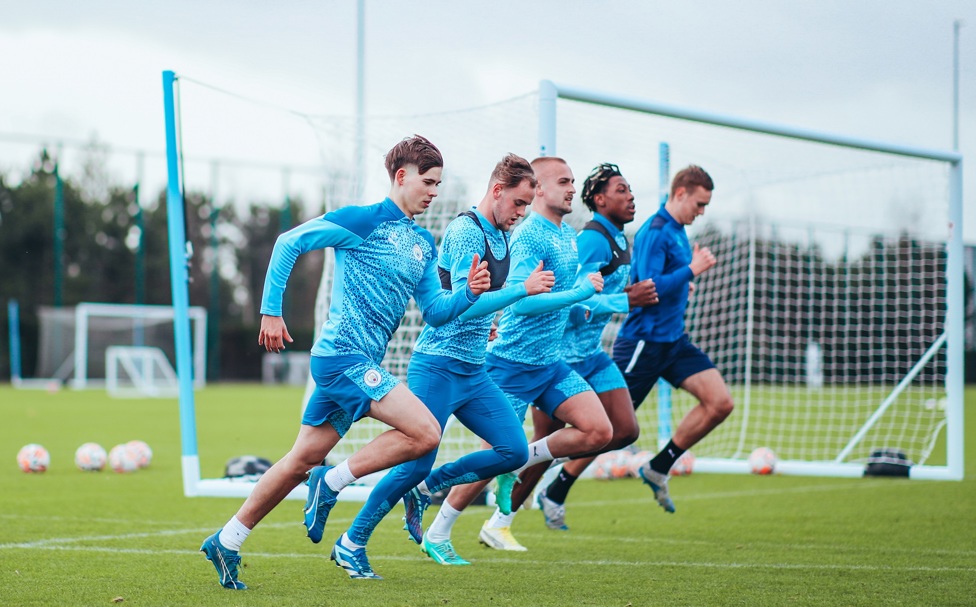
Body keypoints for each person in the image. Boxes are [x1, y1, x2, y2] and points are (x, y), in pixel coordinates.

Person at [199, 135, 491, 589]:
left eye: (438, 184)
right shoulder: (363, 220)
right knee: (426, 431)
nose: (434, 191)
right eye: (428, 182)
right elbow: (288, 242)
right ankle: (331, 482)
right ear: (401, 176)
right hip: (342, 359)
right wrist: (271, 309)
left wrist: (469, 294)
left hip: (357, 365)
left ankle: (227, 540)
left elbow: (434, 311)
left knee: (299, 460)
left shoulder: (423, 243)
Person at [330, 153, 556, 577]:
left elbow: (476, 303)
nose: (522, 214)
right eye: (519, 204)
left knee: (513, 450)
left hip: (473, 370)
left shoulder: (505, 235)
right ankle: (351, 542)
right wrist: (521, 292)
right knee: (413, 462)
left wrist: (489, 323)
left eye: (528, 206)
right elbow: (455, 308)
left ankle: (429, 487)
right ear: (497, 191)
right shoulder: (465, 232)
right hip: (436, 366)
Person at [423, 156, 613, 556]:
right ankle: (438, 531)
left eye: (573, 181)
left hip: (549, 362)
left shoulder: (567, 235)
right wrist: (579, 293)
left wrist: (602, 300)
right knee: (495, 455)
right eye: (563, 181)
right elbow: (522, 304)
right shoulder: (528, 236)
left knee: (599, 431)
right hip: (510, 361)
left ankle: (522, 464)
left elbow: (559, 299)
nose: (571, 188)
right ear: (538, 187)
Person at [526, 163, 659, 531]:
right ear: (599, 200)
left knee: (624, 430)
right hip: (560, 356)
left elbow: (612, 293)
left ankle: (555, 488)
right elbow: (571, 305)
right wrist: (625, 302)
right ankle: (493, 512)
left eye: (630, 188)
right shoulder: (590, 239)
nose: (630, 196)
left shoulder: (618, 238)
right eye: (620, 190)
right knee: (535, 448)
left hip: (592, 354)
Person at [612, 164, 733, 513]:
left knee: (720, 403)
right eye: (699, 204)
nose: (702, 212)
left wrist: (685, 281)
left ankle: (659, 466)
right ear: (680, 193)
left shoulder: (680, 231)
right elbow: (647, 289)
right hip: (643, 342)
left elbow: (671, 281)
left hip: (674, 342)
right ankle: (551, 484)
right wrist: (691, 271)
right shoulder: (655, 230)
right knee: (610, 430)